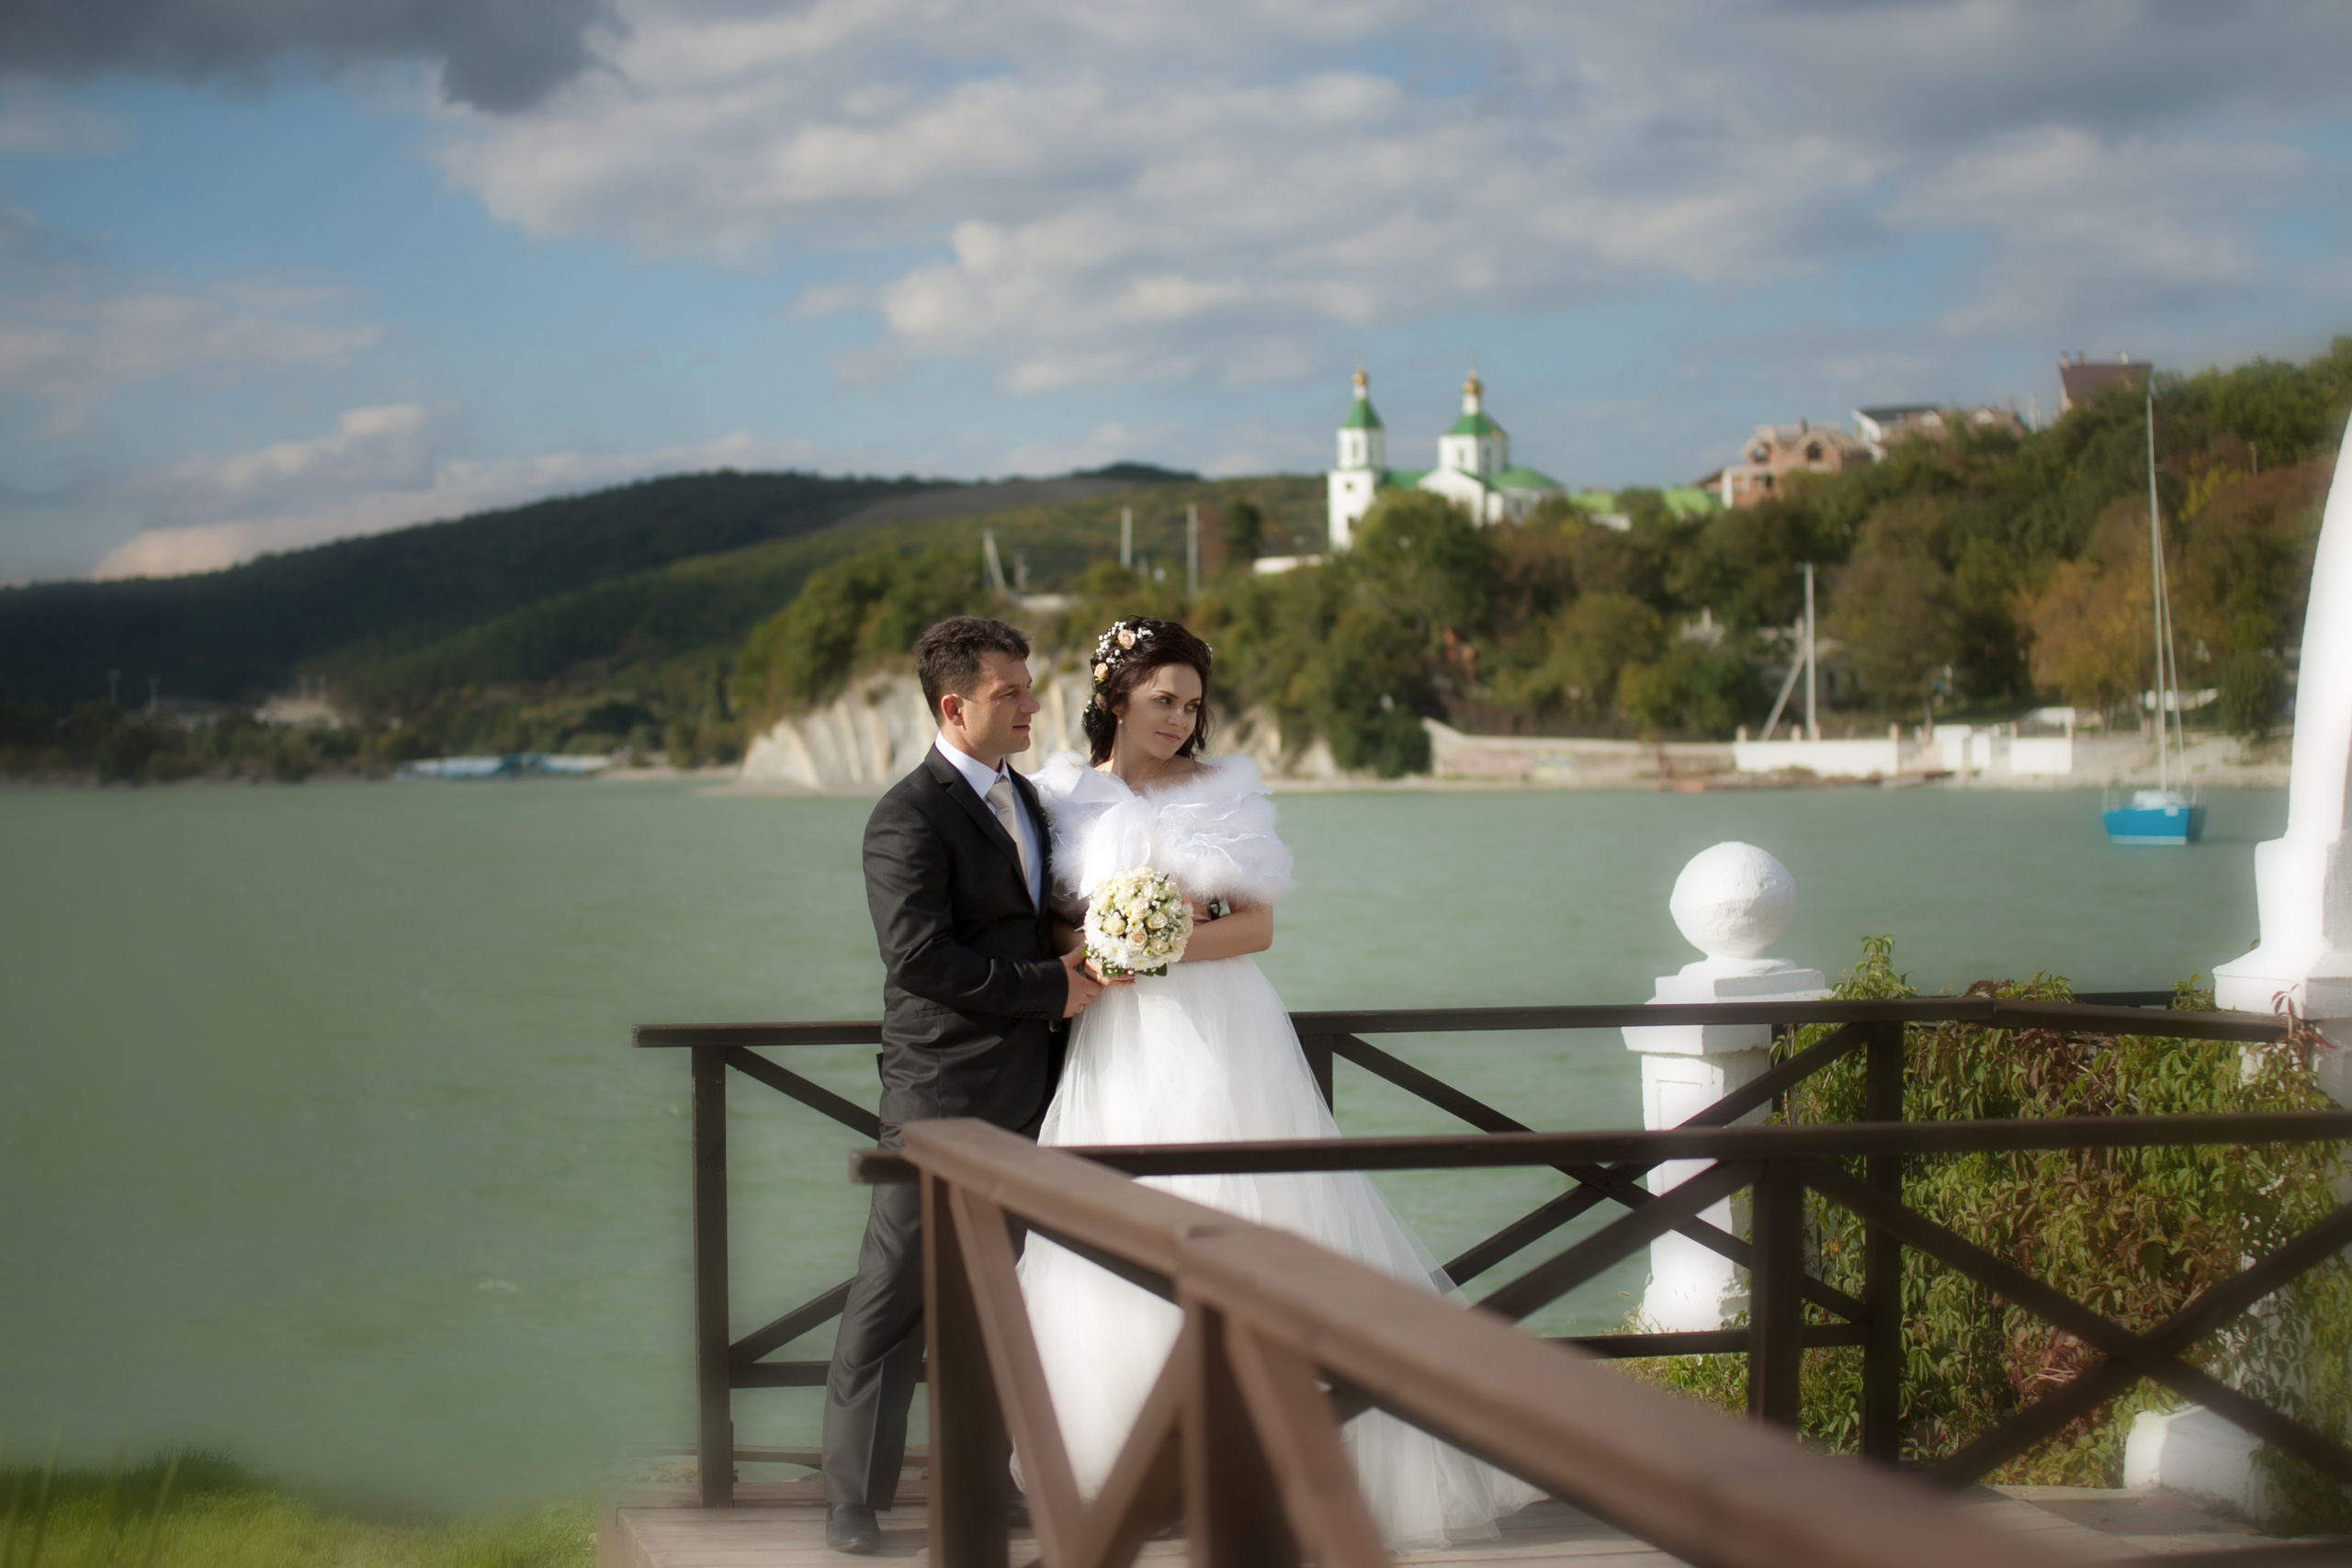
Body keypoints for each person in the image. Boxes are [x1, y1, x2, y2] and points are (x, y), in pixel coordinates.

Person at [1020, 616, 1542, 1551]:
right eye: (1161, 699)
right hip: (1117, 1039)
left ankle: (1274, 1453)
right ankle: (1135, 1462)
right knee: (1115, 1230)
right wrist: (1100, 948)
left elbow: (1256, 928)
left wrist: (1161, 941)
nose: (1180, 718)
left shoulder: (1223, 790)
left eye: (1192, 702)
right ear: (1114, 698)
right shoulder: (1060, 795)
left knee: (1252, 1214)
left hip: (1225, 1035)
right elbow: (1052, 930)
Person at [821, 616, 1116, 1555]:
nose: (1033, 705)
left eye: (1030, 688)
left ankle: (986, 1478)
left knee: (1005, 1293)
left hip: (1034, 1088)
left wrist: (1105, 943)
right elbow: (917, 960)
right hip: (939, 1093)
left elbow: (1034, 922)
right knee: (894, 1290)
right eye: (1011, 693)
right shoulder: (905, 816)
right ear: (955, 706)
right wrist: (1050, 987)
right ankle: (852, 1501)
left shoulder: (1027, 800)